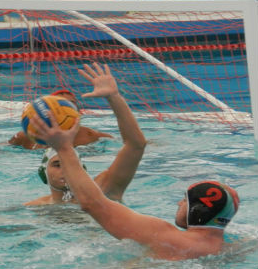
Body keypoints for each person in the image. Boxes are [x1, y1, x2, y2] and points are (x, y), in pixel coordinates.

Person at [28, 62, 240, 260]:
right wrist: (114, 96)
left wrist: (64, 148)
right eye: (56, 164)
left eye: (184, 200)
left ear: (198, 210)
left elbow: (92, 202)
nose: (178, 202)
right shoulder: (235, 247)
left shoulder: (161, 234)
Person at [25, 68, 147, 206]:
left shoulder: (104, 190)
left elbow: (136, 145)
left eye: (71, 163)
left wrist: (114, 97)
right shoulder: (34, 207)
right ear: (43, 173)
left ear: (82, 170)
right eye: (57, 164)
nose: (65, 170)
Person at [8, 89, 112, 150]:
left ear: (79, 112)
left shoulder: (91, 136)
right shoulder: (25, 137)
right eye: (61, 104)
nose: (66, 110)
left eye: (70, 104)